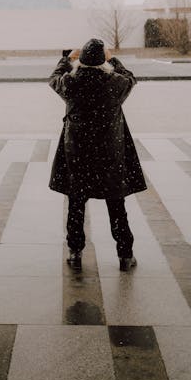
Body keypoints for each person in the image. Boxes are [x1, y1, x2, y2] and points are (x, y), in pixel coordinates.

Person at [49, 38, 147, 272]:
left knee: (76, 203)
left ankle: (75, 253)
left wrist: (66, 58)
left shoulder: (71, 82)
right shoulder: (115, 83)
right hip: (109, 154)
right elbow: (131, 77)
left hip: (78, 153)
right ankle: (125, 255)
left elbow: (53, 79)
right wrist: (112, 58)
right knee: (116, 204)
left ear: (81, 61)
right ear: (103, 61)